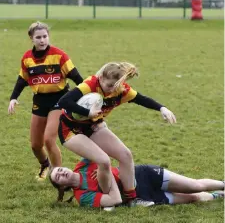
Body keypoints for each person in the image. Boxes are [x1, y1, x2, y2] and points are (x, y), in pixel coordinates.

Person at [58, 61, 176, 204]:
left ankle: (132, 199)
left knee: (126, 155)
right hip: (70, 130)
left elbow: (142, 99)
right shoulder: (90, 85)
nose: (111, 90)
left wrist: (162, 108)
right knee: (103, 160)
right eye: (109, 86)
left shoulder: (121, 90)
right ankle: (109, 199)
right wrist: (88, 112)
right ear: (101, 78)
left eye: (115, 86)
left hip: (92, 127)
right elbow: (64, 101)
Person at [7, 21, 83, 181]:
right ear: (31, 39)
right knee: (35, 145)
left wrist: (85, 94)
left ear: (48, 37)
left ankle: (57, 175)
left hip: (60, 99)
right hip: (40, 101)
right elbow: (22, 79)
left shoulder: (59, 55)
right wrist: (13, 98)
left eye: (45, 36)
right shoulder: (27, 58)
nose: (42, 40)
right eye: (38, 37)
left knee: (49, 139)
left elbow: (77, 77)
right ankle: (45, 164)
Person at [49, 158, 224, 209]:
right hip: (139, 196)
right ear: (63, 187)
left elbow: (101, 147)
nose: (61, 172)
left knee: (195, 185)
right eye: (58, 177)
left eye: (59, 169)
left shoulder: (83, 164)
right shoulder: (83, 197)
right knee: (192, 197)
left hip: (142, 175)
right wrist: (106, 177)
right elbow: (113, 201)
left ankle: (222, 184)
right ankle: (218, 195)